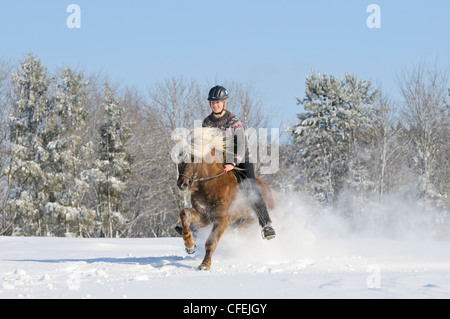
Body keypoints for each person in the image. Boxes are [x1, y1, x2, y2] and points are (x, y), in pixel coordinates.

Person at [202, 85, 276, 240]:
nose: (215, 105)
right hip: (220, 159)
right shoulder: (207, 122)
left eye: (218, 102)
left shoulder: (232, 120)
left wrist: (233, 163)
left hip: (241, 158)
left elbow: (241, 145)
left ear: (224, 103)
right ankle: (196, 225)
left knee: (250, 187)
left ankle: (266, 224)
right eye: (212, 103)